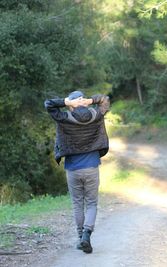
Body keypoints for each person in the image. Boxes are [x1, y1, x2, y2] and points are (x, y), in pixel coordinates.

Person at [44, 91, 110, 254]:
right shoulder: (96, 114)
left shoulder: (65, 117)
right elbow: (105, 100)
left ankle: (81, 237)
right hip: (92, 166)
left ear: (71, 105)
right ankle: (86, 235)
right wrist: (89, 101)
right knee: (92, 203)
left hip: (72, 169)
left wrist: (66, 102)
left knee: (77, 203)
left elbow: (48, 104)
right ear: (83, 102)